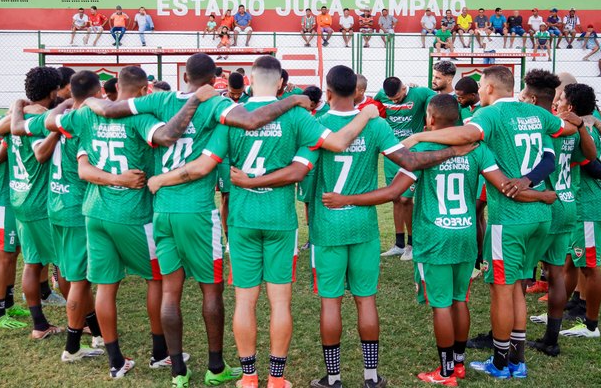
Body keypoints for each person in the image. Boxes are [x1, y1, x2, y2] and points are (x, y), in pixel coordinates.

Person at [81, 53, 316, 387]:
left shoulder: (159, 98)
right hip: (198, 210)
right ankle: (216, 367)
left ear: (186, 75)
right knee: (211, 291)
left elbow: (109, 110)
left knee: (170, 292)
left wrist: (90, 101)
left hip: (162, 208)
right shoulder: (215, 102)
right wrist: (292, 97)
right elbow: (252, 120)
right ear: (212, 79)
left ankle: (178, 371)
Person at [147, 56, 378, 388]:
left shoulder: (233, 120)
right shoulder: (297, 114)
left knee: (245, 299)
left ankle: (249, 376)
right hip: (280, 219)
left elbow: (200, 167)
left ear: (251, 81)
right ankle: (277, 379)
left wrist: (161, 180)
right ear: (281, 83)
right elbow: (339, 142)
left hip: (242, 219)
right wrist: (366, 113)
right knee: (279, 301)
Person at [237, 65, 473, 388]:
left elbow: (301, 175)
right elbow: (410, 161)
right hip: (363, 226)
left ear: (328, 93)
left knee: (330, 303)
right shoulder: (375, 126)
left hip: (327, 228)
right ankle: (371, 376)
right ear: (357, 92)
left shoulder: (316, 126)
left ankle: (333, 378)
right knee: (366, 300)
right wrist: (453, 151)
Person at [324, 94, 554, 386]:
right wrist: (543, 195)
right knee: (460, 301)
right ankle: (458, 364)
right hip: (466, 233)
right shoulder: (477, 149)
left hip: (434, 237)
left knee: (441, 305)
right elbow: (508, 187)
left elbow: (395, 193)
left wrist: (347, 199)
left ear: (430, 119)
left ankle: (446, 372)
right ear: (457, 120)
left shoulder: (422, 149)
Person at [402, 65, 579, 380]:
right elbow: (564, 131)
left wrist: (419, 134)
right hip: (540, 216)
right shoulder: (536, 113)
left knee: (502, 290)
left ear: (491, 89)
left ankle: (499, 362)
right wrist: (577, 122)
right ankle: (517, 360)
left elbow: (468, 134)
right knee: (518, 289)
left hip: (508, 218)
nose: (480, 90)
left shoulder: (490, 116)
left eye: (482, 85)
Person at [47, 66, 210, 379]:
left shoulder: (86, 116)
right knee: (157, 280)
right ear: (145, 89)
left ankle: (115, 361)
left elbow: (52, 121)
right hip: (134, 214)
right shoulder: (141, 117)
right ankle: (160, 353)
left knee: (106, 286)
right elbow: (166, 136)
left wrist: (84, 104)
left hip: (94, 211)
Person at [10, 71, 107, 362]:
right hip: (73, 208)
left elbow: (27, 142)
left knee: (60, 270)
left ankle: (93, 330)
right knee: (76, 278)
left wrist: (22, 108)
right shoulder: (82, 122)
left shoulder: (49, 118)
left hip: (51, 203)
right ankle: (74, 344)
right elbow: (84, 169)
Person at [518, 70, 599, 358]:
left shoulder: (537, 126)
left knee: (518, 277)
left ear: (531, 97)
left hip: (541, 203)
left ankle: (508, 340)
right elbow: (589, 157)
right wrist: (580, 127)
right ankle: (551, 340)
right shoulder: (567, 126)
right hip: (567, 203)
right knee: (555, 274)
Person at [0, 66, 63, 340]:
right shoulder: (43, 120)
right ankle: (79, 323)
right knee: (64, 265)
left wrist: (17, 105)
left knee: (32, 262)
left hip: (19, 198)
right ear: (53, 91)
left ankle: (39, 324)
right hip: (40, 202)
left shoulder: (15, 117)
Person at [558, 83, 601, 339]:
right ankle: (556, 314)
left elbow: (592, 163)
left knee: (590, 266)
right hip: (580, 206)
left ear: (570, 106)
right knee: (570, 262)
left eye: (560, 99)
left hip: (590, 206)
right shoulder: (580, 128)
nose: (556, 102)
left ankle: (591, 325)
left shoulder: (583, 133)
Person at [374, 78, 437, 261]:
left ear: (404, 88)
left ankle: (412, 244)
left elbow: (442, 102)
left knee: (405, 199)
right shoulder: (381, 95)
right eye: (390, 99)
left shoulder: (420, 93)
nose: (393, 101)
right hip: (392, 155)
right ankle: (399, 244)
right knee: (395, 199)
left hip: (410, 155)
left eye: (397, 97)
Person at [0, 123, 30, 330]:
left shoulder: (26, 122)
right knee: (3, 253)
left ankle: (8, 305)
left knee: (13, 252)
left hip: (12, 197)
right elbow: (0, 154)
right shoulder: (11, 121)